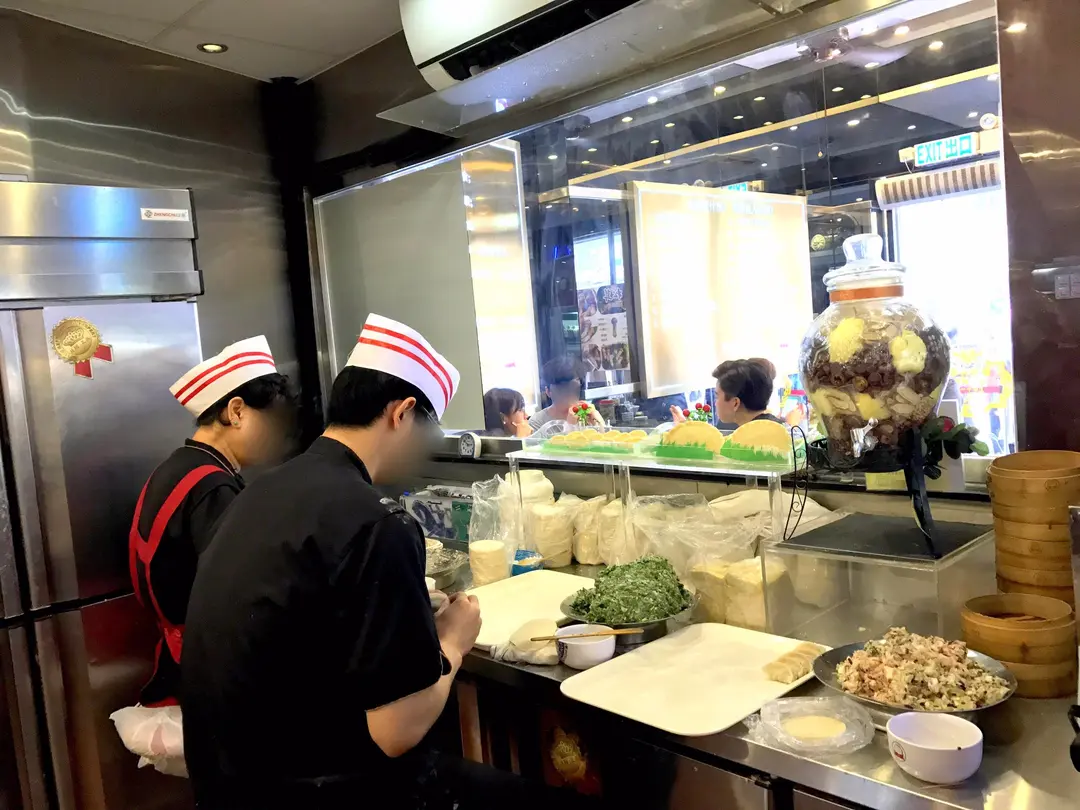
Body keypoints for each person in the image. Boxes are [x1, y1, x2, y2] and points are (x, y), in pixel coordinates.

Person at [181, 315, 598, 810]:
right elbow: (396, 732)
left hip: (224, 785)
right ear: (402, 413)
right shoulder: (378, 522)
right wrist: (453, 641)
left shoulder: (261, 491)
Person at [128, 336, 295, 708]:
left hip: (189, 657)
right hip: (213, 668)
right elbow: (241, 594)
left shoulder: (179, 466)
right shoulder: (212, 486)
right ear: (236, 412)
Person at [670, 357, 783, 426]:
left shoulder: (746, 442)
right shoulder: (771, 427)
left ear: (735, 403)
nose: (715, 403)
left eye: (717, 396)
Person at [528, 356, 604, 431]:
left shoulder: (587, 415)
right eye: (561, 388)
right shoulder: (537, 422)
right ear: (548, 391)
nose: (568, 393)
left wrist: (600, 425)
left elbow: (604, 437)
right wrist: (570, 426)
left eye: (573, 386)